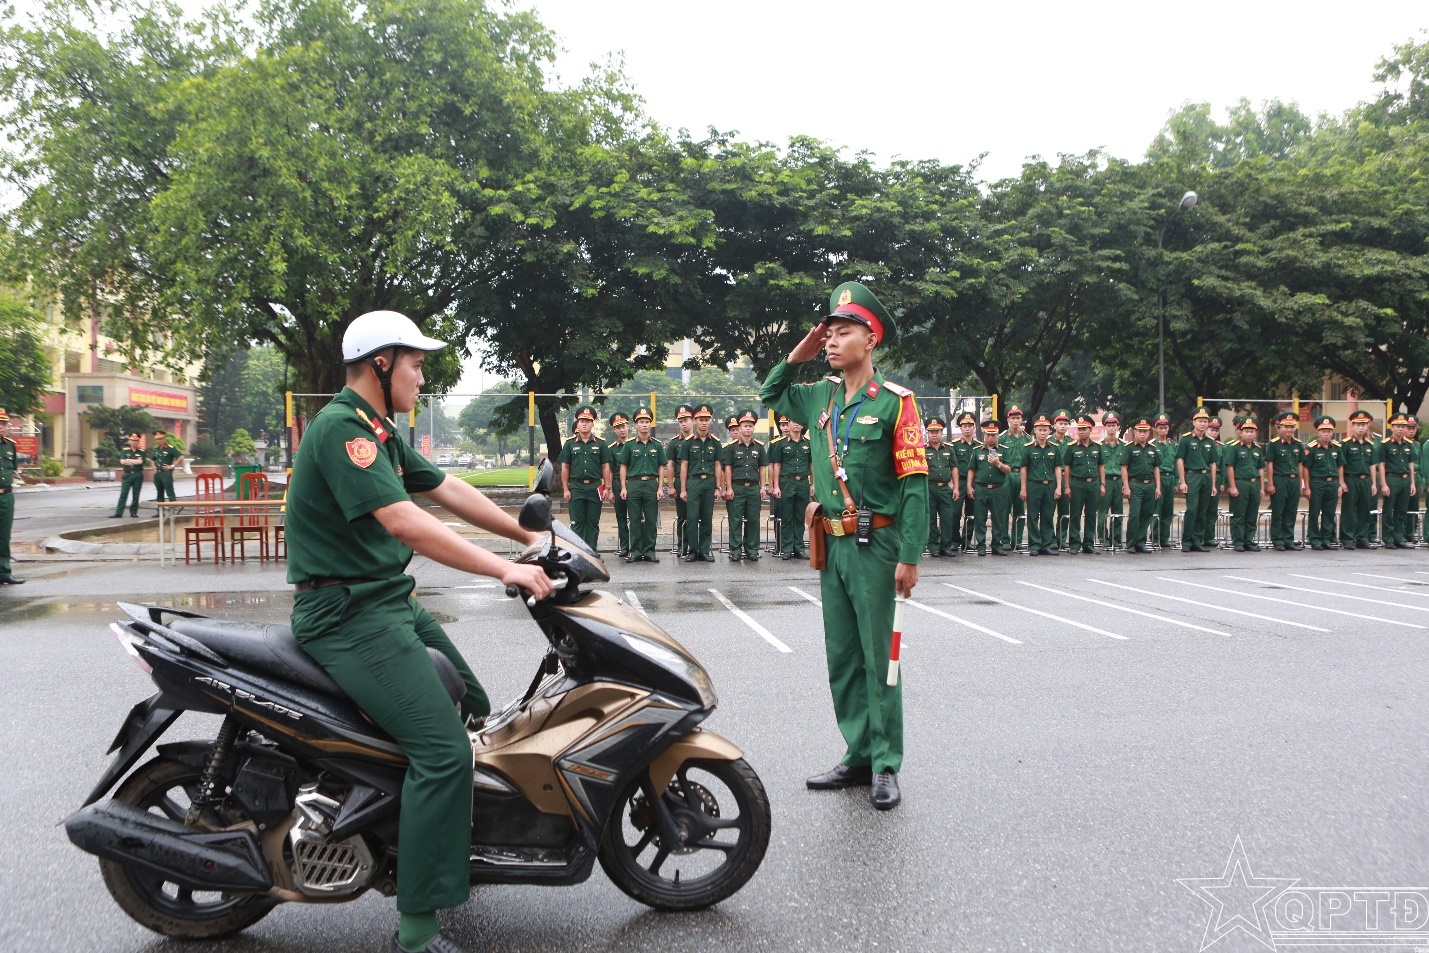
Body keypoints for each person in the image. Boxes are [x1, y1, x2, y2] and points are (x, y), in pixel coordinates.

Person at [284, 309, 553, 953]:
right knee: (443, 752)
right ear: (381, 364)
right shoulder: (342, 429)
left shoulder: (376, 429)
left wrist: (528, 534)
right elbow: (405, 520)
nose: (422, 376)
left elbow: (446, 487)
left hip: (386, 600)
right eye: (415, 363)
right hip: (347, 614)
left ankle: (443, 840)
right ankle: (417, 926)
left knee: (478, 706)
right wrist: (502, 569)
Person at [761, 280, 927, 811]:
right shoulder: (820, 397)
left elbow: (915, 484)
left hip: (877, 545)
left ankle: (885, 763)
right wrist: (797, 354)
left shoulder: (897, 403)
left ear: (870, 339)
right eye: (828, 333)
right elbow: (770, 394)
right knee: (844, 657)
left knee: (881, 658)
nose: (831, 341)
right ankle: (857, 754)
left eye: (843, 332)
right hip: (831, 544)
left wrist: (910, 556)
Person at [558, 405, 612, 553]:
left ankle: (591, 551)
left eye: (588, 421)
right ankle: (578, 551)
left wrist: (607, 487)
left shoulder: (600, 443)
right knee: (577, 522)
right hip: (576, 487)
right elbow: (565, 467)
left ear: (592, 424)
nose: (584, 424)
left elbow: (605, 466)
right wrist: (566, 489)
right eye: (582, 421)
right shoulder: (569, 444)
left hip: (595, 487)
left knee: (593, 522)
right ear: (577, 423)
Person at [618, 406, 665, 563]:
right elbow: (623, 466)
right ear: (636, 425)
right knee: (634, 519)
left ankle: (650, 551)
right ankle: (636, 551)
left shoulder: (657, 445)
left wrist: (660, 487)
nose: (644, 425)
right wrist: (623, 487)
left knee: (651, 520)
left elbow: (661, 467)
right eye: (641, 422)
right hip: (634, 484)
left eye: (646, 422)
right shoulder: (629, 445)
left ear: (650, 424)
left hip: (651, 484)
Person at [678, 404, 722, 562]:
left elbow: (718, 465)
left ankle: (704, 550)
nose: (704, 422)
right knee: (692, 517)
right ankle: (693, 550)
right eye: (701, 419)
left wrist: (718, 487)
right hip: (694, 482)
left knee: (707, 517)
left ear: (710, 421)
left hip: (709, 482)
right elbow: (684, 466)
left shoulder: (715, 442)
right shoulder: (688, 442)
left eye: (706, 420)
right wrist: (683, 489)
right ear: (695, 421)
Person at [723, 409, 768, 560]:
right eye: (745, 426)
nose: (748, 428)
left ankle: (752, 550)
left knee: (753, 520)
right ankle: (735, 550)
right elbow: (728, 468)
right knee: (735, 520)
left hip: (754, 488)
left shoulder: (759, 447)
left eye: (750, 426)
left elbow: (762, 467)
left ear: (753, 428)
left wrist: (763, 487)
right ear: (740, 428)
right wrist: (729, 487)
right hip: (737, 487)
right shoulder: (732, 447)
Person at [1175, 408, 1218, 552]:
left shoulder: (1210, 441)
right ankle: (1187, 541)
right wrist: (1182, 481)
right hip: (1192, 476)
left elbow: (1213, 463)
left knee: (1202, 510)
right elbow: (1180, 460)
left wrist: (1213, 484)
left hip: (1206, 476)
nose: (1203, 424)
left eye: (1205, 421)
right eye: (1200, 421)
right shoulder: (1186, 439)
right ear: (1193, 422)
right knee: (1192, 509)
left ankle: (1197, 540)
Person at [967, 418, 1012, 555]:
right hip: (981, 488)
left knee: (998, 518)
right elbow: (972, 470)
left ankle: (997, 545)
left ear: (997, 435)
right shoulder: (977, 451)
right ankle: (981, 546)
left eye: (993, 435)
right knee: (980, 518)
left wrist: (998, 463)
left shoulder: (1004, 450)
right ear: (984, 435)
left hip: (998, 488)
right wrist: (969, 486)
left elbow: (1008, 469)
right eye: (988, 434)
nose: (990, 437)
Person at [1264, 410, 1307, 551]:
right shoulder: (1273, 444)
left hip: (1294, 481)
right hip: (1280, 480)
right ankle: (1277, 540)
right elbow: (1270, 464)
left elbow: (1300, 465)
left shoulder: (1298, 444)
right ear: (1280, 428)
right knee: (1278, 511)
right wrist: (1270, 483)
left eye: (1292, 427)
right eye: (1286, 427)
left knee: (1291, 511)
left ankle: (1288, 539)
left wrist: (1301, 483)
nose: (1289, 430)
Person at [771, 415, 812, 559]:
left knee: (800, 517)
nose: (796, 425)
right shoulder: (781, 444)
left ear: (802, 426)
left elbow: (811, 465)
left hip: (802, 482)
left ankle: (799, 548)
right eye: (794, 422)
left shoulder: (808, 443)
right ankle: (787, 548)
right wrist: (776, 486)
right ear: (789, 424)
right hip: (787, 482)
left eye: (799, 422)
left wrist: (813, 483)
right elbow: (777, 465)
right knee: (787, 517)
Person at [1021, 413, 1062, 556]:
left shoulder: (1054, 448)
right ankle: (1034, 545)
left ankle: (1046, 544)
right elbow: (1024, 469)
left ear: (1050, 430)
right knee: (1033, 516)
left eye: (1045, 430)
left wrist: (1058, 487)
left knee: (1048, 516)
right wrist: (1023, 488)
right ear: (1035, 430)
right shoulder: (1028, 448)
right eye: (1040, 429)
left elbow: (1058, 468)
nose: (1042, 432)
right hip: (1034, 485)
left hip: (1049, 485)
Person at [1339, 409, 1379, 550]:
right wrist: (1341, 482)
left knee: (1364, 509)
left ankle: (1362, 538)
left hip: (1365, 480)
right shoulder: (1346, 443)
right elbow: (1341, 464)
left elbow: (1372, 465)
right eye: (1358, 425)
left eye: (1363, 425)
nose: (1361, 427)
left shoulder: (1370, 445)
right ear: (1353, 426)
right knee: (1349, 510)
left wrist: (1374, 483)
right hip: (1351, 479)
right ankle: (1347, 538)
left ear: (1367, 426)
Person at [1304, 415, 1346, 550]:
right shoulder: (1312, 447)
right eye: (1323, 431)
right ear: (1318, 432)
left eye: (1329, 431)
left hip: (1333, 483)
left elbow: (1340, 466)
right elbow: (1306, 468)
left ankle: (1326, 539)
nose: (1326, 434)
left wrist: (1340, 483)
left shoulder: (1337, 447)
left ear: (1332, 432)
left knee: (1329, 513)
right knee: (1314, 512)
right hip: (1317, 483)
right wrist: (1307, 486)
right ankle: (1314, 539)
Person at [1225, 418, 1267, 552]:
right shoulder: (1234, 447)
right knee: (1239, 514)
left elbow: (1261, 469)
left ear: (1256, 433)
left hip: (1254, 483)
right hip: (1240, 482)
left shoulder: (1257, 449)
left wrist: (1262, 488)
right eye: (1246, 431)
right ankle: (1238, 541)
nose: (1249, 434)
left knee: (1252, 513)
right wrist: (1232, 486)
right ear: (1241, 432)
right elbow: (1230, 467)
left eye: (1251, 431)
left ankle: (1249, 540)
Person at [1121, 417, 1161, 553]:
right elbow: (1124, 468)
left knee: (1147, 514)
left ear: (1149, 433)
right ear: (1135, 432)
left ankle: (1141, 543)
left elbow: (1156, 468)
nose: (1142, 434)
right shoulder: (1129, 448)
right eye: (1140, 431)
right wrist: (1126, 486)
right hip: (1135, 484)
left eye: (1145, 431)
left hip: (1150, 485)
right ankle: (1131, 543)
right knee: (1135, 514)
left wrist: (1158, 487)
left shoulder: (1152, 449)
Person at [1380, 413, 1417, 549]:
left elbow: (1411, 464)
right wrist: (1383, 484)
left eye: (1403, 426)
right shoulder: (1385, 444)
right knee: (1388, 510)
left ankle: (1399, 538)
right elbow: (1382, 465)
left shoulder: (1409, 444)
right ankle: (1388, 538)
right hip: (1392, 479)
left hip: (1405, 479)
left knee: (1402, 510)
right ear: (1392, 428)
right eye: (1397, 426)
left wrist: (1412, 482)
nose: (1401, 429)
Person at [924, 416, 958, 556]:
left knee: (947, 518)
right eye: (931, 431)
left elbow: (954, 468)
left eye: (937, 431)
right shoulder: (923, 449)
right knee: (931, 518)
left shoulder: (949, 449)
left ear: (941, 432)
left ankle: (946, 545)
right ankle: (933, 546)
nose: (934, 434)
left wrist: (956, 487)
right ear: (927, 433)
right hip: (929, 487)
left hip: (945, 488)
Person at [948, 410, 979, 555]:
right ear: (960, 428)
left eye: (970, 426)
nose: (967, 429)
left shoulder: (979, 446)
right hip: (959, 482)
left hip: (974, 483)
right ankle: (954, 541)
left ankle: (967, 540)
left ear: (974, 427)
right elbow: (950, 465)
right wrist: (951, 482)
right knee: (955, 512)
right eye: (964, 426)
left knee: (971, 513)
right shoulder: (954, 445)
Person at [1001, 406, 1030, 551]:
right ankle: (1004, 540)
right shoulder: (1002, 438)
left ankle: (1017, 540)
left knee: (1019, 510)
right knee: (1004, 509)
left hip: (1022, 475)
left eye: (1018, 418)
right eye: (1013, 418)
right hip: (1006, 475)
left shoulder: (1028, 438)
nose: (1015, 421)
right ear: (1008, 420)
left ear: (1021, 419)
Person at [667, 405, 694, 556]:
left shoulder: (699, 440)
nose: (684, 424)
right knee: (682, 516)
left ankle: (696, 547)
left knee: (696, 516)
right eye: (681, 421)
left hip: (696, 481)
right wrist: (671, 486)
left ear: (693, 421)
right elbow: (670, 465)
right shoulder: (674, 443)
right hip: (680, 481)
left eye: (686, 420)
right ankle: (682, 545)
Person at [1097, 412, 1126, 550]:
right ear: (1105, 427)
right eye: (1109, 425)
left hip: (1118, 481)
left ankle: (1116, 538)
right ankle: (1103, 538)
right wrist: (1101, 483)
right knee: (1102, 512)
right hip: (1105, 481)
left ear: (1118, 427)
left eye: (1114, 425)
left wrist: (1125, 484)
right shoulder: (1099, 446)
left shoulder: (1124, 446)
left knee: (1118, 512)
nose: (1111, 428)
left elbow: (1126, 466)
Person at [0, 408, 22, 584]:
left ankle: (4, 573)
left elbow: (12, 468)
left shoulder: (9, 445)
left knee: (4, 535)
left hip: (6, 496)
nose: (1, 426)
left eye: (3, 423)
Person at [1152, 414, 1178, 549]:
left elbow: (1176, 464)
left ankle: (1164, 538)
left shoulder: (1173, 445)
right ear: (1156, 429)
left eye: (1165, 428)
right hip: (1159, 478)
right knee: (1157, 509)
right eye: (1160, 428)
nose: (1163, 430)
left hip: (1170, 478)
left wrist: (1177, 481)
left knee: (1168, 510)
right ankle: (1155, 537)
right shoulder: (1152, 445)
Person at [606, 412, 630, 558]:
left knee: (637, 517)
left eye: (624, 426)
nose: (622, 430)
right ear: (614, 430)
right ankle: (625, 546)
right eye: (618, 427)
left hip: (633, 483)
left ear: (628, 427)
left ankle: (637, 546)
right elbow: (609, 470)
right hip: (616, 484)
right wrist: (609, 490)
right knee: (621, 517)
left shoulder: (635, 445)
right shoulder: (612, 449)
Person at [1051, 409, 1073, 550]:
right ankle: (1051, 539)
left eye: (1065, 423)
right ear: (1054, 425)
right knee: (1049, 510)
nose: (1063, 426)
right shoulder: (1048, 441)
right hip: (1051, 478)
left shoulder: (1072, 442)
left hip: (1067, 478)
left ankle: (1062, 538)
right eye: (1060, 423)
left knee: (1065, 511)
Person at [110, 432, 146, 518]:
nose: (134, 442)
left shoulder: (142, 451)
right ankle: (119, 513)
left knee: (136, 494)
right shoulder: (125, 450)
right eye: (132, 440)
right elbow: (122, 461)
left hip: (138, 474)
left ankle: (133, 512)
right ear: (129, 441)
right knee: (123, 494)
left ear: (138, 441)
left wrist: (128, 461)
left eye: (136, 440)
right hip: (127, 474)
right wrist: (135, 461)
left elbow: (141, 462)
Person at [149, 430, 184, 503]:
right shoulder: (156, 449)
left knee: (169, 491)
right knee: (159, 493)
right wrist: (153, 466)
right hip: (158, 473)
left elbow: (181, 457)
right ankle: (160, 509)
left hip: (166, 473)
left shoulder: (170, 449)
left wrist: (172, 466)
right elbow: (153, 459)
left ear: (164, 439)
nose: (159, 441)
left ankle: (173, 508)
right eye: (157, 439)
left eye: (160, 439)